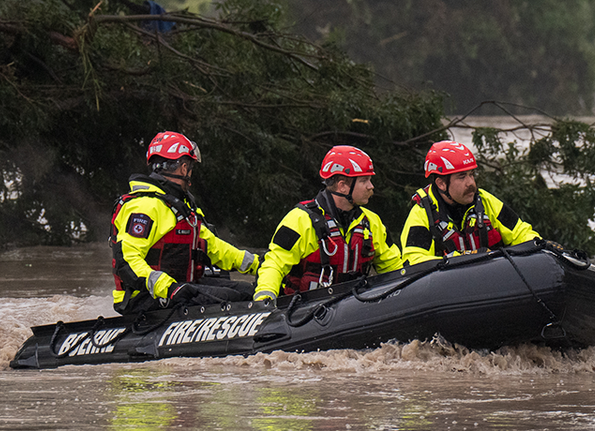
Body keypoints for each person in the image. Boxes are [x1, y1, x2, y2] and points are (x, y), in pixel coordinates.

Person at [110, 131, 259, 314]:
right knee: (237, 299)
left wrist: (258, 264)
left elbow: (213, 247)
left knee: (249, 291)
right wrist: (169, 288)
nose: (190, 173)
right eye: (190, 167)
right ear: (183, 168)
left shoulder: (181, 207)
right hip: (147, 297)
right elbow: (127, 259)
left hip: (179, 288)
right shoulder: (145, 206)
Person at [253, 145, 403, 303]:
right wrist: (265, 297)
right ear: (342, 185)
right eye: (364, 180)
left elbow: (394, 267)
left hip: (354, 309)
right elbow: (274, 263)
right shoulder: (300, 219)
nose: (371, 186)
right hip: (303, 311)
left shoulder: (372, 222)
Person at [400, 140, 539, 265]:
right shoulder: (422, 214)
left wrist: (537, 244)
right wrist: (458, 259)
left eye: (471, 174)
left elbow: (521, 233)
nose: (471, 183)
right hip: (448, 288)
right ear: (441, 184)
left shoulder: (485, 201)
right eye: (462, 177)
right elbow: (415, 260)